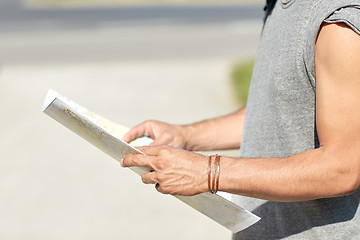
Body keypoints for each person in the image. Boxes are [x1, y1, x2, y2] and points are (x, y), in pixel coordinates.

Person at [121, 0, 360, 238]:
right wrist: (186, 136)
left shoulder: (338, 22)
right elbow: (277, 110)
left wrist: (207, 172)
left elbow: (342, 168)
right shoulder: (280, 5)